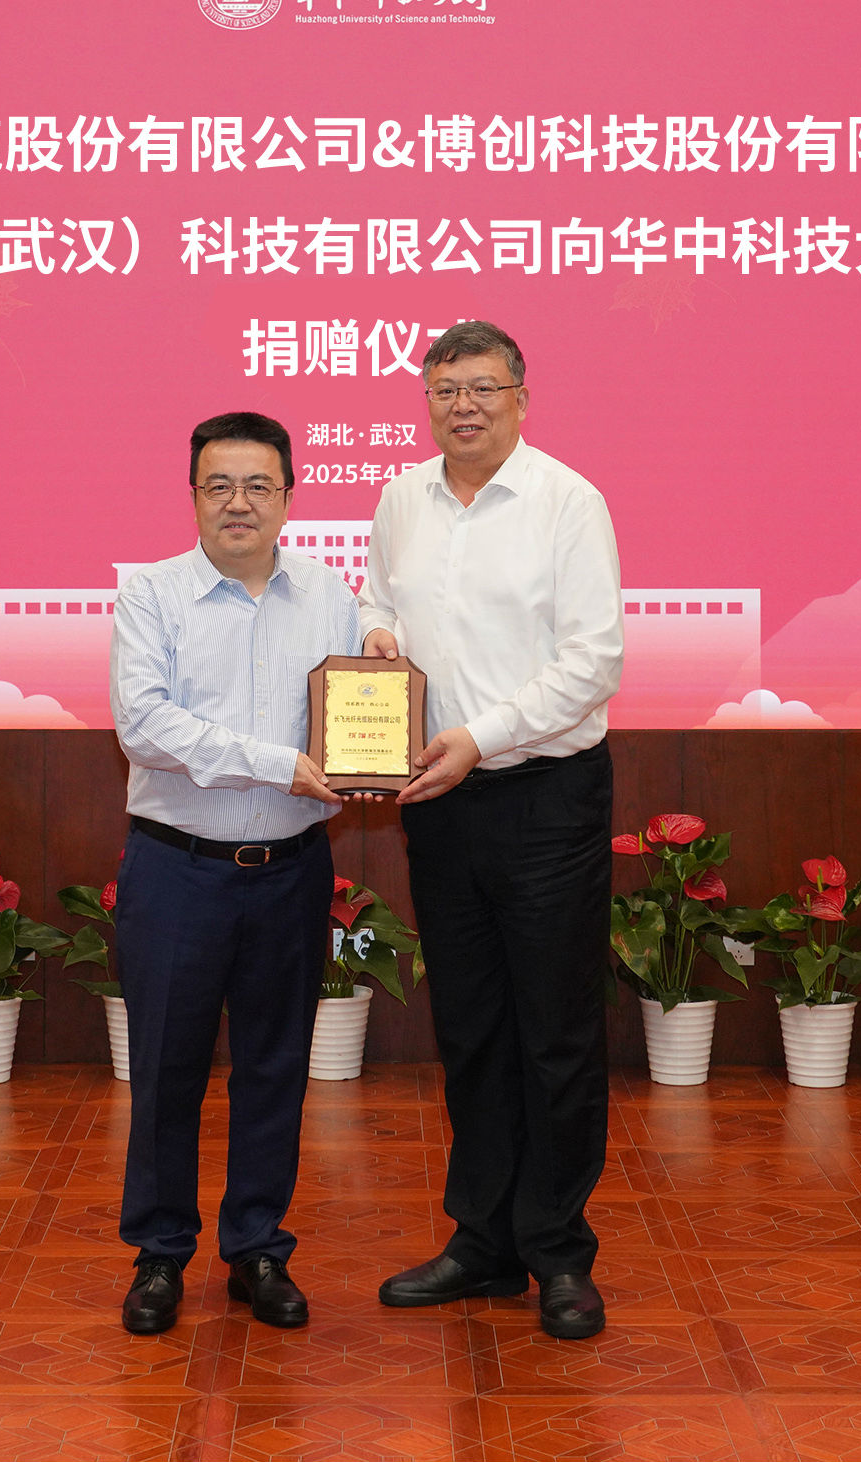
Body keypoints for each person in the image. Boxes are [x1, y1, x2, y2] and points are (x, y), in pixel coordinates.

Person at [357, 320, 624, 1341]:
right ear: (427, 400)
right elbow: (381, 596)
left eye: (483, 387)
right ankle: (483, 1240)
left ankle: (558, 1250)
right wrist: (379, 634)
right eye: (445, 389)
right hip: (443, 799)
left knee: (554, 1029)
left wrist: (482, 735)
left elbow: (593, 661)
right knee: (469, 1024)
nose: (462, 405)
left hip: (546, 794)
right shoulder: (402, 498)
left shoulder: (568, 501)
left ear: (521, 396)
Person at [107, 410, 362, 1336]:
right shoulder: (152, 595)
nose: (239, 502)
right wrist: (276, 764)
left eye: (259, 485)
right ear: (193, 497)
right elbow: (145, 724)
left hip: (292, 872)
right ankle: (159, 1254)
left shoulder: (330, 596)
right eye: (219, 485)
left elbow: (360, 703)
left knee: (275, 1065)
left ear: (289, 496)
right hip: (179, 871)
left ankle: (258, 1246)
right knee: (165, 1069)